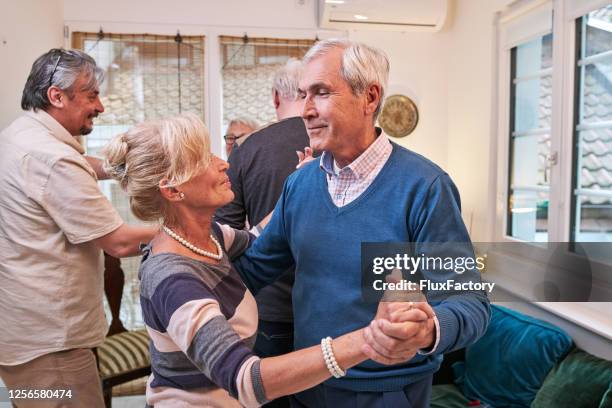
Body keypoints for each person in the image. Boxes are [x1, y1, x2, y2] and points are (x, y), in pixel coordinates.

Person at [232, 39, 491, 407]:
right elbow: (255, 268)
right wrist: (184, 259)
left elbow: (471, 302)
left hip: (384, 394)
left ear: (369, 98)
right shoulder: (300, 184)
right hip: (306, 386)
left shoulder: (424, 187)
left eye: (320, 93)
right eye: (303, 94)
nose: (305, 110)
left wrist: (427, 328)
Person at [102, 113, 418, 408]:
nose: (223, 164)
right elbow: (247, 379)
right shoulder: (174, 279)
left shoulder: (208, 236)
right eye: (204, 160)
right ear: (173, 191)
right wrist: (367, 339)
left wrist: (297, 185)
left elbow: (257, 237)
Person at [0, 48, 157, 407]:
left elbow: (75, 163)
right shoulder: (51, 159)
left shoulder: (22, 134)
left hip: (23, 339)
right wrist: (192, 232)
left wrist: (123, 169)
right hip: (53, 349)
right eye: (91, 96)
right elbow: (117, 242)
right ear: (57, 96)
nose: (100, 106)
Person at [215, 60, 311, 406]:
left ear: (275, 98)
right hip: (329, 305)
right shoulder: (338, 143)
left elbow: (224, 233)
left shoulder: (249, 148)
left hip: (269, 304)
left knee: (271, 395)